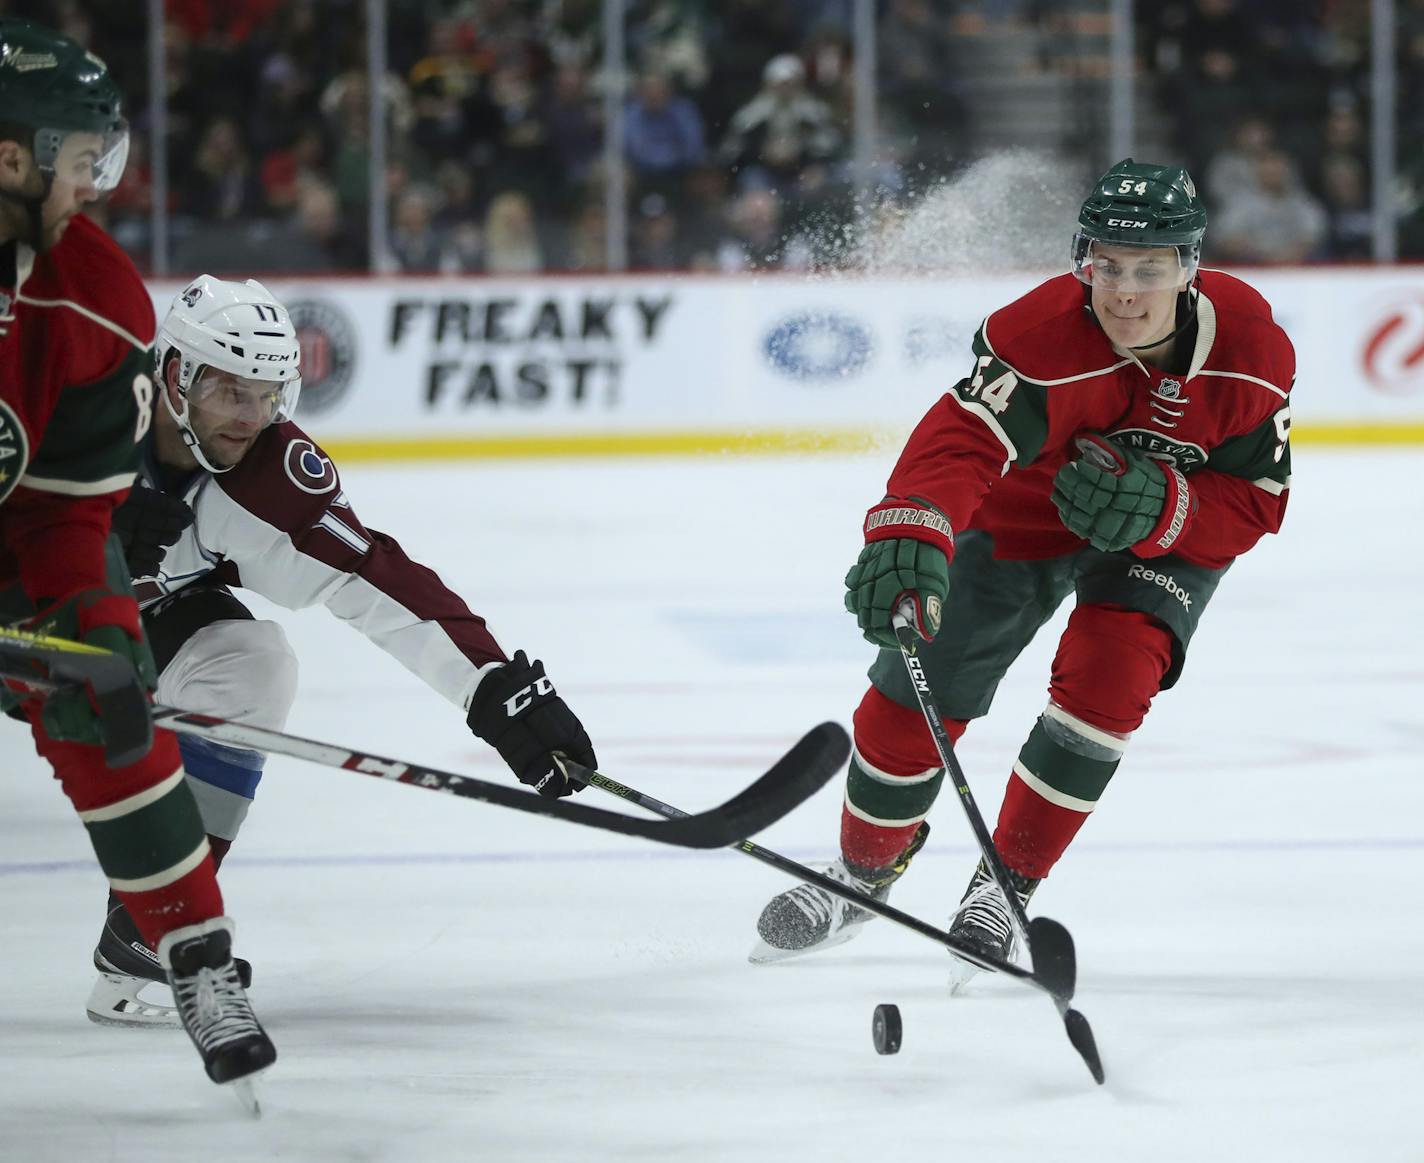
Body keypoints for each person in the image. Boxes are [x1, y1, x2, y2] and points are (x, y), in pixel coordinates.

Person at [752, 159, 1294, 980]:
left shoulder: (1254, 351)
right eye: (1106, 264)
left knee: (1111, 679)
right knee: (914, 684)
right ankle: (863, 873)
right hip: (1029, 517)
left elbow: (1257, 499)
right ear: (1083, 260)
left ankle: (1003, 889)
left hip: (1168, 535)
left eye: (1149, 269)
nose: (1124, 290)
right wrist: (916, 527)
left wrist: (1167, 509)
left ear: (1189, 269)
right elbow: (963, 438)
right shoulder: (1037, 334)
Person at [88, 273, 598, 1026]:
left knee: (253, 662)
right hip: (30, 617)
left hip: (135, 628)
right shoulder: (79, 404)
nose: (252, 416)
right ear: (174, 376)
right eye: (232, 391)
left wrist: (490, 688)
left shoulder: (268, 474)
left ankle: (147, 922)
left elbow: (372, 577)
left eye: (269, 394)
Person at [0, 18, 274, 1089]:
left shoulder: (94, 297)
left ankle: (193, 954)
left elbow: (64, 517)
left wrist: (101, 624)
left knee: (108, 710)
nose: (95, 187)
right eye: (79, 164)